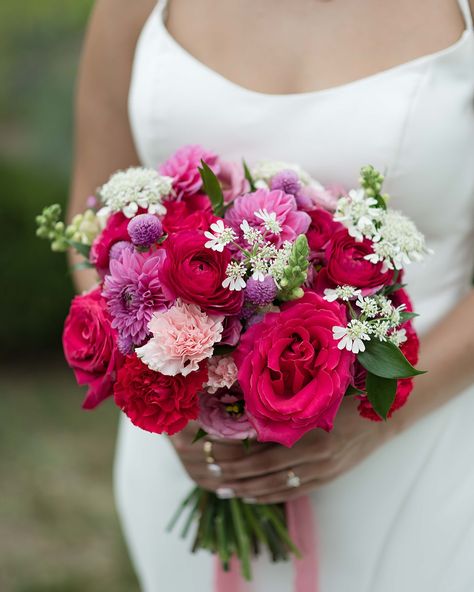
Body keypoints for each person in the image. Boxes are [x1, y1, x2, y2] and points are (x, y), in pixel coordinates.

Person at [68, 0, 474, 590]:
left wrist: (379, 424)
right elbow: (93, 213)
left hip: (422, 450)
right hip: (188, 459)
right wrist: (178, 389)